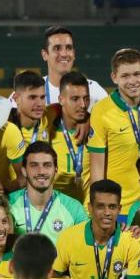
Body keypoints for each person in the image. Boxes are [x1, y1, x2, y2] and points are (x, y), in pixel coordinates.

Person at [86, 48, 140, 213]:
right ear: (114, 78)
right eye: (125, 76)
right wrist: (102, 209)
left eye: (136, 74)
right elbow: (97, 170)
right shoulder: (102, 111)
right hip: (119, 207)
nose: (132, 81)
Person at [9, 141, 88, 249]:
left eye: (47, 165)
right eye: (34, 165)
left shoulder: (74, 209)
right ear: (24, 171)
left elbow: (86, 249)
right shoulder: (8, 204)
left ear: (55, 170)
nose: (41, 171)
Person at [48, 71, 91, 202]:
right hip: (56, 213)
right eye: (75, 99)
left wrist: (91, 118)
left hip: (87, 214)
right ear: (61, 99)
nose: (83, 105)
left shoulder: (96, 129)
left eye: (86, 98)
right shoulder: (48, 131)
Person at [39, 26, 107, 109]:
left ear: (74, 54)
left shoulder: (93, 90)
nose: (64, 54)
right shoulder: (34, 90)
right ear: (44, 54)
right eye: (57, 48)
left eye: (68, 48)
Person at [6, 71, 52, 188]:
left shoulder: (49, 117)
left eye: (42, 97)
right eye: (32, 97)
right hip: (11, 196)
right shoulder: (4, 125)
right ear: (17, 98)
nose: (39, 104)